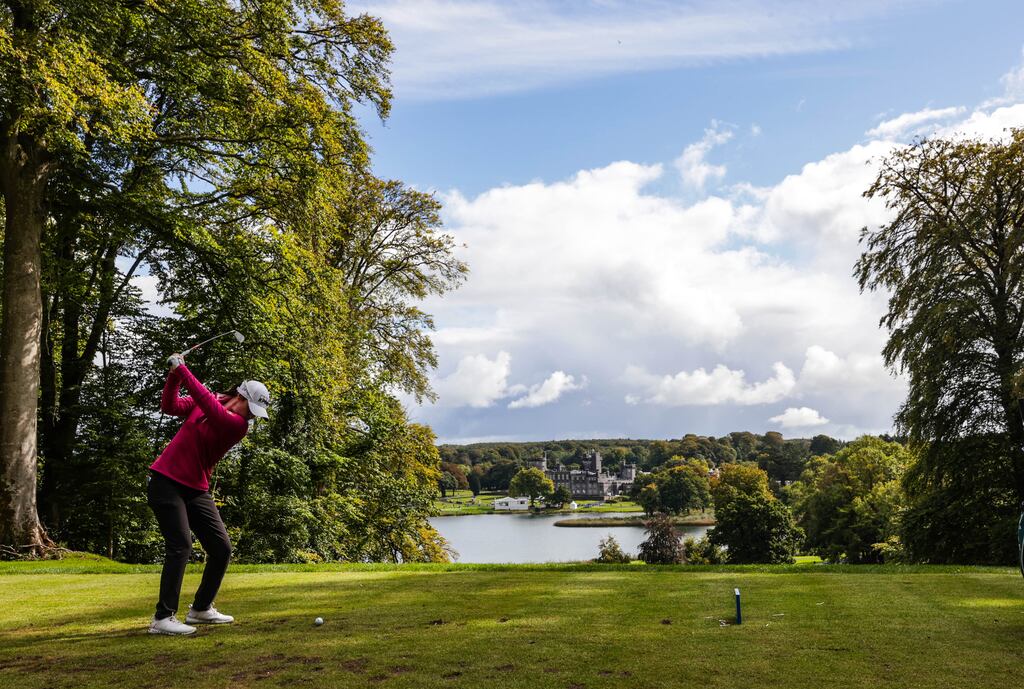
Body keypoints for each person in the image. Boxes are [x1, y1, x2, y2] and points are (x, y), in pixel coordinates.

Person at [146, 353, 270, 636]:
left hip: (195, 488)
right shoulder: (210, 401)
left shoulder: (237, 426)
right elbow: (170, 406)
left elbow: (209, 406)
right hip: (166, 482)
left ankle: (201, 609)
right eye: (250, 408)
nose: (251, 415)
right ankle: (162, 617)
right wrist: (173, 376)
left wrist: (183, 370)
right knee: (180, 545)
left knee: (221, 548)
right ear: (239, 395)